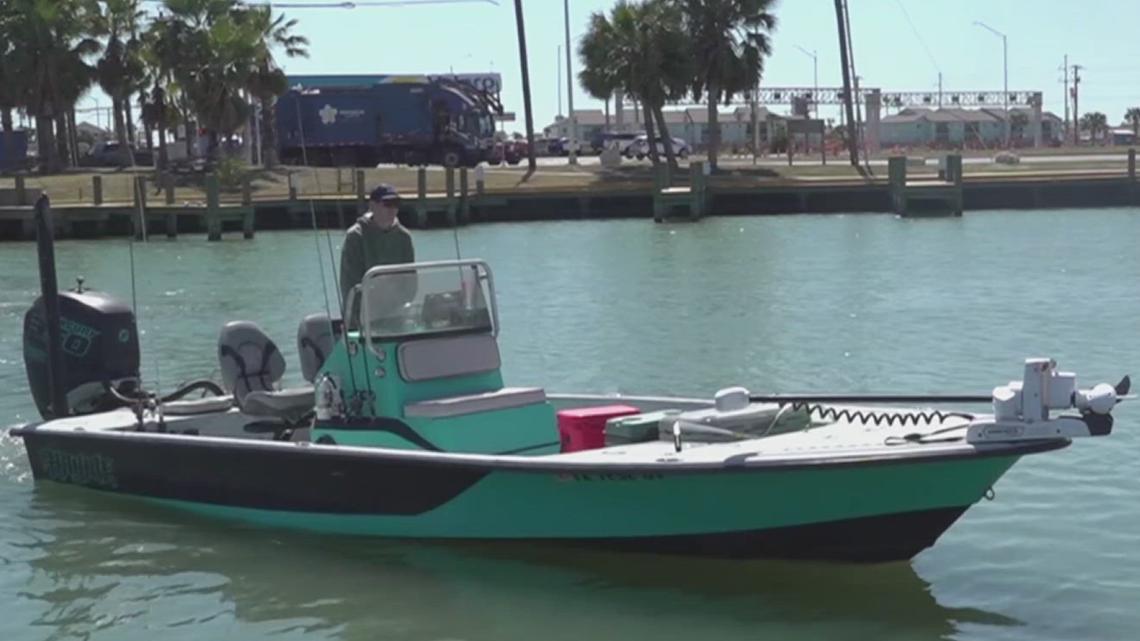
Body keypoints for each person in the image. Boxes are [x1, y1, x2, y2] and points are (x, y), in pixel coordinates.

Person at [339, 184, 416, 324]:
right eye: (387, 204)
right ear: (372, 206)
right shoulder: (355, 237)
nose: (392, 209)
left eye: (396, 204)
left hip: (397, 317)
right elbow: (350, 286)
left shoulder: (404, 237)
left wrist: (399, 310)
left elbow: (410, 284)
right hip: (363, 321)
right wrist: (357, 321)